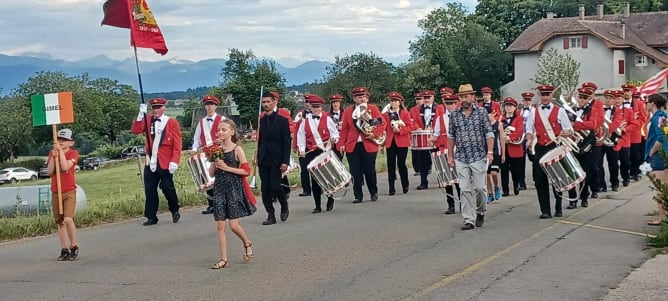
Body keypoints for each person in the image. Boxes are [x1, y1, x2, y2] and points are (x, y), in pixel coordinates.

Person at [207, 119, 256, 269]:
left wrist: (227, 167)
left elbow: (246, 171)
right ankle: (224, 259)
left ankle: (247, 243)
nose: (220, 132)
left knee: (233, 225)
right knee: (220, 225)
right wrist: (215, 163)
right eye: (219, 130)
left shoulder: (237, 150)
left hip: (233, 188)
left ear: (232, 132)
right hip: (220, 188)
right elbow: (211, 173)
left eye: (224, 129)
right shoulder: (216, 150)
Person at [447, 84, 494, 230]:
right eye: (461, 97)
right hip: (461, 156)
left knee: (480, 188)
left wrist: (490, 152)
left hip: (478, 155)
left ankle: (480, 211)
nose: (464, 99)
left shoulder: (481, 112)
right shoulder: (454, 115)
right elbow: (451, 136)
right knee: (465, 189)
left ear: (473, 97)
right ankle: (468, 219)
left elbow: (489, 133)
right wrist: (450, 155)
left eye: (467, 96)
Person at [131, 98, 182, 226]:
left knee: (167, 187)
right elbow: (136, 130)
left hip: (165, 161)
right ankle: (151, 216)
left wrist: (174, 160)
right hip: (151, 160)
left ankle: (174, 209)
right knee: (150, 189)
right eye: (153, 108)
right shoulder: (148, 120)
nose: (155, 110)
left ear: (163, 108)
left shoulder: (171, 123)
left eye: (158, 107)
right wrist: (139, 115)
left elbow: (177, 144)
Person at [525, 84, 573, 219]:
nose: (545, 97)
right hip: (540, 148)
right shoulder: (534, 111)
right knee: (540, 180)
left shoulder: (560, 111)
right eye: (543, 95)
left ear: (552, 96)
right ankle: (545, 210)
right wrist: (529, 139)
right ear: (539, 96)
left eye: (547, 94)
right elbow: (529, 129)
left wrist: (565, 134)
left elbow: (568, 129)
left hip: (555, 147)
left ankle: (558, 206)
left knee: (557, 178)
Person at [338, 86, 386, 203]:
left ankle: (373, 192)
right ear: (354, 99)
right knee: (355, 171)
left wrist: (374, 134)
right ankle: (357, 195)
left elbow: (382, 123)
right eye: (359, 97)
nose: (362, 99)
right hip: (353, 145)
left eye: (364, 97)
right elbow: (344, 129)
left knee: (369, 170)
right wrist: (341, 144)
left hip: (368, 143)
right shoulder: (348, 111)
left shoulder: (372, 109)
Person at [297, 94, 339, 212]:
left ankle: (330, 198)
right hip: (311, 153)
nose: (316, 109)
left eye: (318, 107)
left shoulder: (328, 119)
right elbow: (301, 137)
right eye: (313, 107)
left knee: (327, 177)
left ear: (321, 107)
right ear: (310, 107)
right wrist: (301, 150)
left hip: (325, 151)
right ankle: (318, 205)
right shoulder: (305, 122)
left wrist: (334, 139)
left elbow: (335, 133)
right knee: (315, 179)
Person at [565, 86, 604, 209]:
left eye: (585, 98)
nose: (582, 100)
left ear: (588, 99)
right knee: (571, 171)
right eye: (580, 97)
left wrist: (575, 125)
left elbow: (592, 124)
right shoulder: (570, 109)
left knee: (584, 171)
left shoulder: (592, 110)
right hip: (572, 143)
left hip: (586, 144)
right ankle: (572, 199)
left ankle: (584, 197)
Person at [257, 92, 292, 225]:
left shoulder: (282, 121)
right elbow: (260, 141)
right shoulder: (261, 120)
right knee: (265, 188)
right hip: (264, 158)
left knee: (276, 186)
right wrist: (257, 155)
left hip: (277, 158)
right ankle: (270, 215)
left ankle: (284, 205)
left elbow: (286, 142)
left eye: (268, 102)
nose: (265, 104)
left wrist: (285, 161)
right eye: (263, 102)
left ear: (274, 102)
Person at [47, 128, 80, 261]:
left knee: (68, 219)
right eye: (59, 139)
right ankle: (64, 248)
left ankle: (74, 245)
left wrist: (60, 153)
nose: (61, 142)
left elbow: (66, 167)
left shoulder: (73, 153)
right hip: (56, 191)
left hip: (69, 190)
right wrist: (53, 157)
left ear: (71, 142)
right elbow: (50, 171)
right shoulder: (52, 153)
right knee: (60, 221)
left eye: (64, 140)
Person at [191, 95, 226, 214]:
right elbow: (196, 137)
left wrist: (222, 140)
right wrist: (194, 148)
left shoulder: (222, 119)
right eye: (207, 105)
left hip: (220, 152)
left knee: (220, 178)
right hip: (206, 154)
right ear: (205, 107)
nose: (209, 107)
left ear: (216, 106)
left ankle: (223, 202)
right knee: (207, 178)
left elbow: (229, 135)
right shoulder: (201, 122)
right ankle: (211, 204)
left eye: (212, 104)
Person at [432, 93, 461, 214]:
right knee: (447, 179)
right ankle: (451, 205)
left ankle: (463, 203)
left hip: (458, 150)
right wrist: (431, 139)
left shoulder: (461, 116)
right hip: (445, 149)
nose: (449, 106)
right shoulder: (440, 118)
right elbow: (436, 134)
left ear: (456, 104)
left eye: (451, 104)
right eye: (447, 104)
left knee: (459, 180)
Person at [411, 90, 443, 189]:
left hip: (436, 137)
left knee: (439, 160)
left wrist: (434, 128)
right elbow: (413, 121)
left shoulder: (440, 108)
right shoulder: (416, 110)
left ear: (433, 98)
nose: (426, 100)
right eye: (425, 98)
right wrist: (418, 128)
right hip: (423, 137)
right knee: (423, 161)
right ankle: (423, 182)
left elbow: (441, 119)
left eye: (428, 97)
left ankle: (442, 180)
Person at [382, 91, 412, 195]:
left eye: (395, 101)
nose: (393, 103)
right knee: (390, 165)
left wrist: (400, 131)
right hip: (390, 142)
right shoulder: (386, 115)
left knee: (401, 164)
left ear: (399, 102)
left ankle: (405, 184)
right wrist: (381, 144)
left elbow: (410, 127)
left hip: (402, 142)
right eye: (391, 101)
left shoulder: (405, 113)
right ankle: (391, 188)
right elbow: (384, 128)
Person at [644, 94, 668, 226]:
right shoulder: (662, 115)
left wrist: (652, 151)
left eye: (646, 102)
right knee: (665, 185)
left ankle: (662, 216)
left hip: (659, 155)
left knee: (660, 187)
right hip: (664, 153)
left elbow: (661, 137)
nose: (645, 104)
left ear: (652, 103)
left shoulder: (656, 118)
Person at [621, 83, 647, 181]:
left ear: (632, 92)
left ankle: (636, 172)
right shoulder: (620, 103)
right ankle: (626, 174)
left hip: (635, 132)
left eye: (628, 91)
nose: (626, 93)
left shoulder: (639, 103)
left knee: (635, 154)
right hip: (623, 133)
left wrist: (632, 126)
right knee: (625, 156)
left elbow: (642, 118)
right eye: (625, 91)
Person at [500, 97, 525, 197]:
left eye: (511, 106)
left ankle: (516, 185)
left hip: (514, 147)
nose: (508, 108)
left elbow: (520, 131)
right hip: (503, 148)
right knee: (504, 170)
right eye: (507, 105)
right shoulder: (501, 118)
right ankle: (505, 190)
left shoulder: (519, 118)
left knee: (515, 170)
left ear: (515, 107)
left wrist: (509, 138)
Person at [597, 90, 619, 192]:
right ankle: (602, 185)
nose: (608, 100)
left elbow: (616, 122)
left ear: (615, 100)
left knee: (613, 163)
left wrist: (608, 132)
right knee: (599, 163)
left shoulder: (618, 110)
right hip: (601, 140)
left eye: (610, 98)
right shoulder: (600, 110)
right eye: (607, 98)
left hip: (611, 139)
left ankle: (614, 183)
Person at [485, 105, 505, 203]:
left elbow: (502, 140)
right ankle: (489, 193)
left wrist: (503, 154)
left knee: (494, 173)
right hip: (485, 152)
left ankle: (497, 187)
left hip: (496, 151)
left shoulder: (498, 124)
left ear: (493, 113)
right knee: (487, 175)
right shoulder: (483, 125)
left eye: (489, 113)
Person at [294, 102, 312, 197]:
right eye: (306, 103)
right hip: (303, 147)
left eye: (310, 103)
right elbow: (298, 133)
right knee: (303, 169)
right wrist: (299, 148)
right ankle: (306, 189)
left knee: (315, 169)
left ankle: (319, 188)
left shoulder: (321, 116)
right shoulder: (301, 115)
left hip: (314, 146)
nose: (308, 105)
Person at [409, 92, 424, 176]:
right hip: (416, 132)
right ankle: (417, 168)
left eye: (420, 99)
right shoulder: (412, 110)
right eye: (417, 99)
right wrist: (417, 127)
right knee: (415, 151)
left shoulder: (426, 109)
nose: (418, 101)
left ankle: (427, 167)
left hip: (426, 131)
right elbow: (411, 120)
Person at [329, 94, 345, 160]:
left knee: (339, 161)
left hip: (341, 142)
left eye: (337, 102)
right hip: (330, 143)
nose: (335, 104)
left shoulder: (345, 114)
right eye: (334, 102)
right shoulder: (327, 115)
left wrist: (342, 127)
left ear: (340, 103)